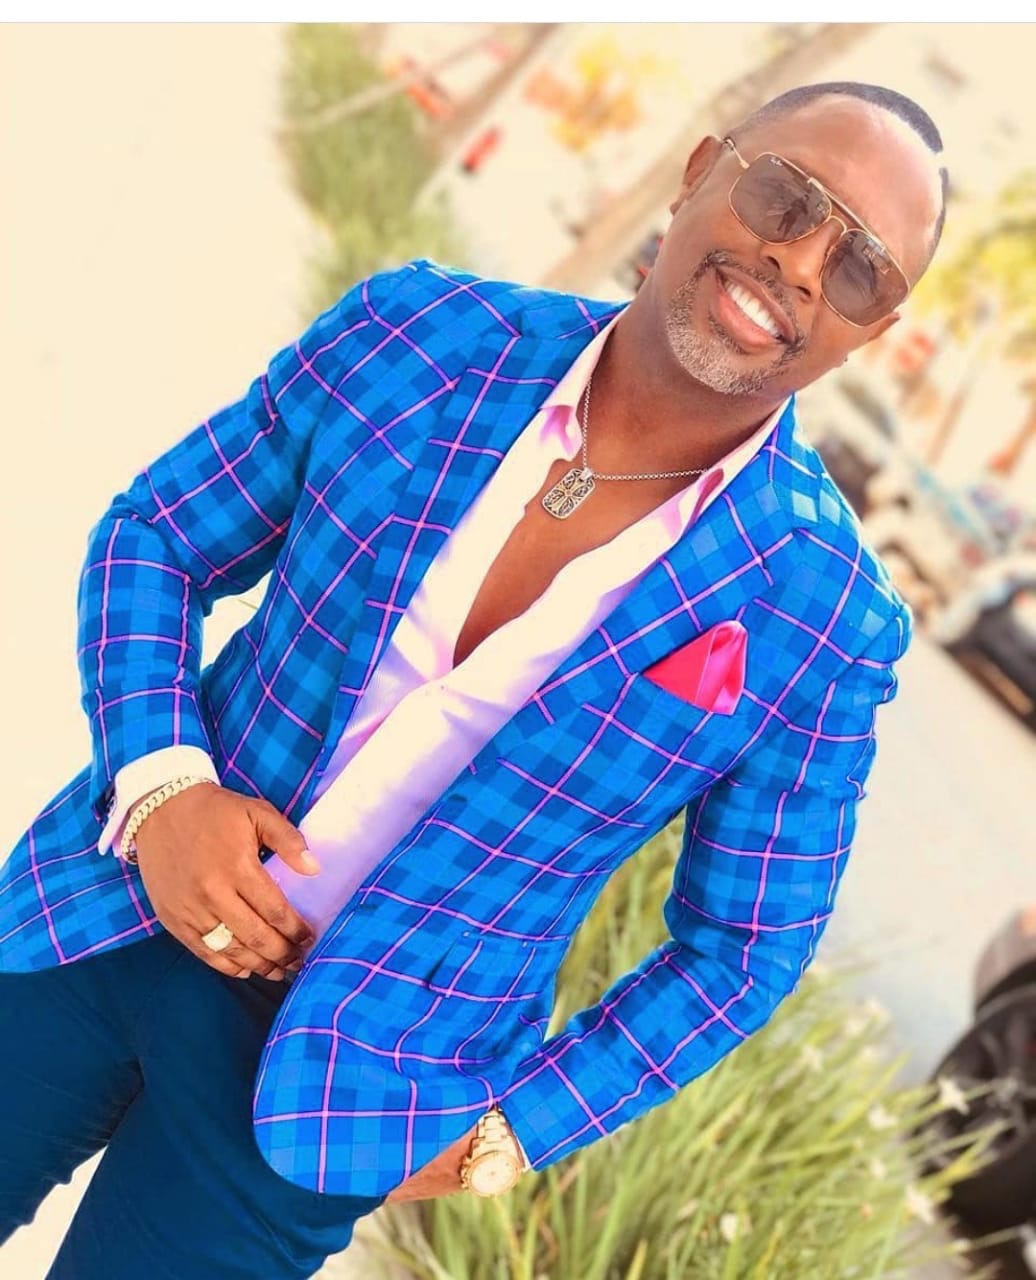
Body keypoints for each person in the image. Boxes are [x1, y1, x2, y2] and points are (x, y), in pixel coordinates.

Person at [0, 80, 947, 1278]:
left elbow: (741, 949)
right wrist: (162, 786)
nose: (799, 263)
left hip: (333, 1104)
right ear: (700, 168)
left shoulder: (824, 615)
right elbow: (160, 536)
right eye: (785, 196)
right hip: (109, 912)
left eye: (857, 266)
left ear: (873, 328)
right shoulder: (419, 333)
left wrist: (514, 1130)